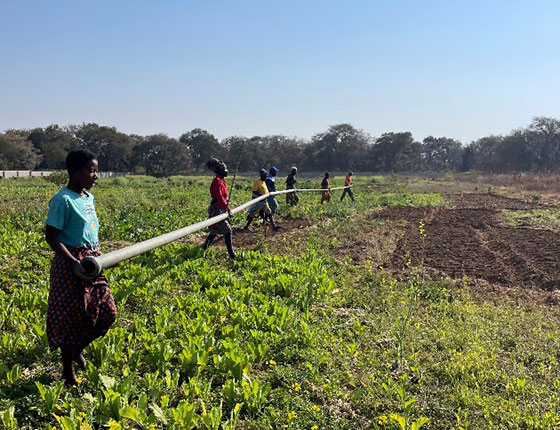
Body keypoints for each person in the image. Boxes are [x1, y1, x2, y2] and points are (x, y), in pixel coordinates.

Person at [45, 150, 117, 386]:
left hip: (92, 261)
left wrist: (98, 254)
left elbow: (89, 231)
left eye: (96, 170)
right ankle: (67, 373)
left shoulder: (88, 198)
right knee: (70, 318)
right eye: (90, 170)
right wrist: (73, 262)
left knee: (107, 311)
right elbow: (52, 236)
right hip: (70, 264)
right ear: (74, 172)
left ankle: (77, 350)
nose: (95, 175)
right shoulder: (62, 200)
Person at [202, 158, 236, 259]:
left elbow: (224, 197)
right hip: (216, 209)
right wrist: (226, 207)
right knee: (227, 230)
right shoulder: (216, 181)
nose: (226, 171)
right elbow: (219, 197)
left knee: (214, 231)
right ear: (219, 170)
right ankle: (231, 255)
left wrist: (227, 208)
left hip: (222, 208)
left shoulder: (222, 181)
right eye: (223, 169)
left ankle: (204, 248)